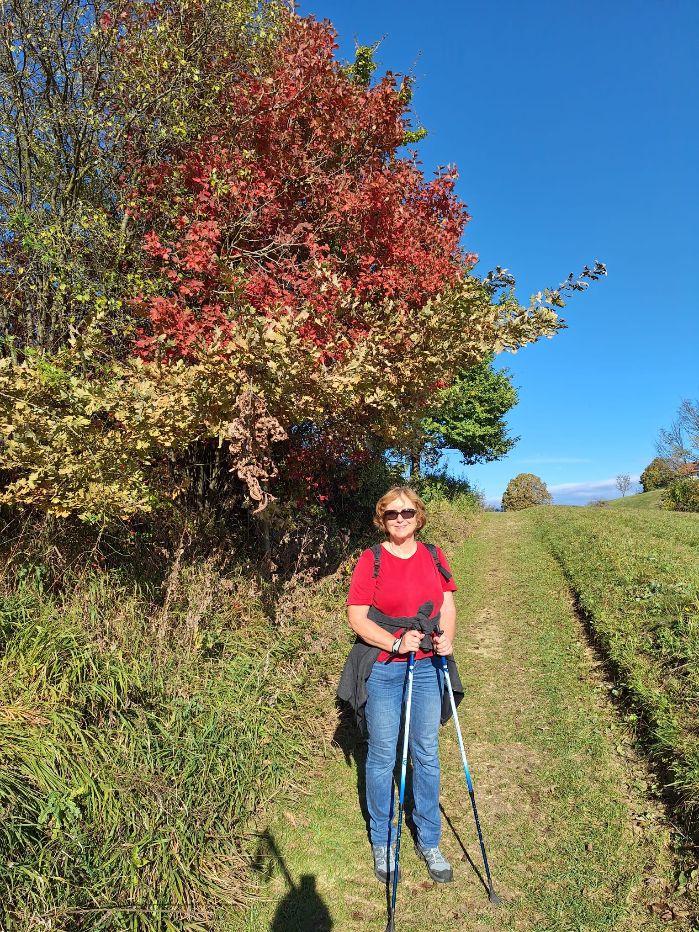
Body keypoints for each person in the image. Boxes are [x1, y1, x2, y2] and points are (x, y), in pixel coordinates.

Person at [337, 486, 461, 885]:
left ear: (418, 516)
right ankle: (383, 839)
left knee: (425, 751)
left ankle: (429, 839)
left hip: (427, 665)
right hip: (386, 668)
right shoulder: (370, 559)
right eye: (392, 514)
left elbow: (446, 605)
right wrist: (393, 641)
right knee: (383, 755)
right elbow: (357, 617)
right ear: (382, 519)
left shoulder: (434, 555)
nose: (400, 519)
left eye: (407, 512)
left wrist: (448, 638)